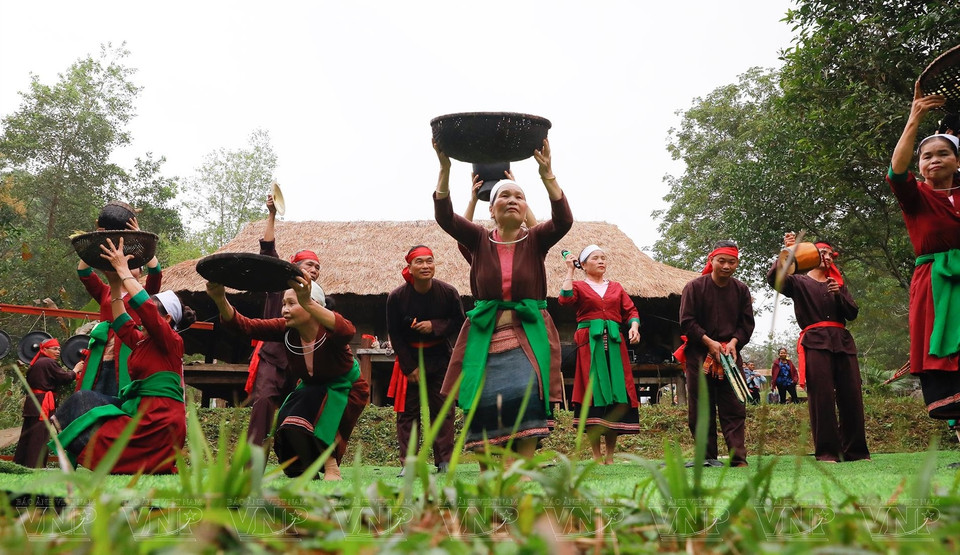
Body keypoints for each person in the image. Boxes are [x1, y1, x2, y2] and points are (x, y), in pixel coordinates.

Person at [433, 138, 572, 459]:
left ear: (526, 210)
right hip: (486, 339)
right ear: (491, 210)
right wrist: (444, 170)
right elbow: (446, 218)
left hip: (526, 337)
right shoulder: (479, 240)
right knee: (485, 407)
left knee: (524, 397)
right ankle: (491, 484)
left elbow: (564, 221)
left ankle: (521, 474)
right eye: (504, 195)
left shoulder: (536, 240)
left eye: (519, 196)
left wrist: (547, 175)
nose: (512, 200)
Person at [206, 275, 368, 480]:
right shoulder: (286, 330)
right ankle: (305, 467)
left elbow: (348, 331)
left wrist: (306, 301)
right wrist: (220, 299)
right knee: (288, 420)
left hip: (348, 388)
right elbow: (245, 326)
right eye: (283, 304)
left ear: (313, 305)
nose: (284, 309)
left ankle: (331, 467)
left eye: (292, 303)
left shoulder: (329, 330)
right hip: (311, 389)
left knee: (320, 411)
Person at [54, 237, 194, 474]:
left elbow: (146, 309)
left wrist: (123, 269)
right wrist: (114, 283)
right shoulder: (142, 341)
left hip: (159, 421)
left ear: (167, 319)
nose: (143, 315)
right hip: (139, 409)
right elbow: (121, 323)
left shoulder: (171, 341)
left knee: (125, 456)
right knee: (83, 401)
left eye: (152, 311)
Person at [887, 82, 960, 435]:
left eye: (942, 153)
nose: (934, 160)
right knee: (947, 362)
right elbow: (896, 171)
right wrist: (915, 115)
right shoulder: (914, 198)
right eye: (926, 156)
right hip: (936, 288)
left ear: (957, 160)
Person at [767, 234, 870, 462]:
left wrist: (838, 295)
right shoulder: (799, 281)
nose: (826, 257)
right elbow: (775, 279)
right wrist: (789, 252)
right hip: (815, 342)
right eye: (821, 253)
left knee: (851, 397)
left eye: (829, 254)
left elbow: (852, 313)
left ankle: (855, 451)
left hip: (842, 343)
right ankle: (827, 452)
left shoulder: (838, 284)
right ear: (811, 256)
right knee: (821, 398)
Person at [245, 193, 325, 447]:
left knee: (298, 412)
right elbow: (268, 250)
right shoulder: (277, 282)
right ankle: (251, 465)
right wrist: (271, 214)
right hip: (272, 356)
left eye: (317, 268)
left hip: (300, 361)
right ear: (294, 266)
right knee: (264, 405)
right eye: (309, 265)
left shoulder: (317, 298)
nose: (314, 270)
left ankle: (298, 461)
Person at [558, 244, 641, 463]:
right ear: (583, 265)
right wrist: (569, 271)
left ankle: (610, 456)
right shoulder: (578, 286)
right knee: (593, 392)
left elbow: (630, 311)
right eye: (595, 258)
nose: (601, 261)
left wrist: (634, 326)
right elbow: (565, 299)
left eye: (603, 258)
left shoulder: (616, 287)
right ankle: (596, 455)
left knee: (615, 391)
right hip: (589, 344)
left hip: (614, 343)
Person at [386, 245, 465, 475]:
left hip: (440, 356)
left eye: (429, 261)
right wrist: (409, 366)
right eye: (419, 262)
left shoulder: (448, 292)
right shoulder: (396, 297)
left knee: (443, 409)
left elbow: (460, 323)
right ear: (409, 267)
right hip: (409, 359)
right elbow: (395, 334)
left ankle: (444, 461)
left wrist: (435, 325)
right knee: (408, 413)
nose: (425, 266)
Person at [678, 240, 754, 467]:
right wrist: (709, 342)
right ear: (711, 261)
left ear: (737, 264)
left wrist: (733, 342)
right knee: (701, 407)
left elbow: (747, 324)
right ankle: (706, 458)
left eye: (732, 262)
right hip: (700, 355)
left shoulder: (741, 290)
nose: (726, 266)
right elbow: (686, 322)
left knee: (734, 407)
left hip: (731, 355)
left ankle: (737, 458)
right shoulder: (694, 287)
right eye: (722, 261)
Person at [76, 215, 162, 396]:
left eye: (133, 264)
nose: (127, 267)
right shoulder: (105, 290)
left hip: (130, 350)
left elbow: (156, 270)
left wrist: (141, 238)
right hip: (101, 354)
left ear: (140, 271)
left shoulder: (145, 293)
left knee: (123, 399)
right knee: (93, 395)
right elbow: (83, 271)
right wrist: (96, 239)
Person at [13, 338, 78, 468]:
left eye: (59, 349)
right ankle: (35, 466)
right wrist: (75, 371)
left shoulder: (37, 363)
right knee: (40, 435)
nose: (58, 351)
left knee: (28, 433)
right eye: (54, 349)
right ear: (44, 349)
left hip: (33, 402)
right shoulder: (48, 362)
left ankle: (20, 463)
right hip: (42, 403)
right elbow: (64, 378)